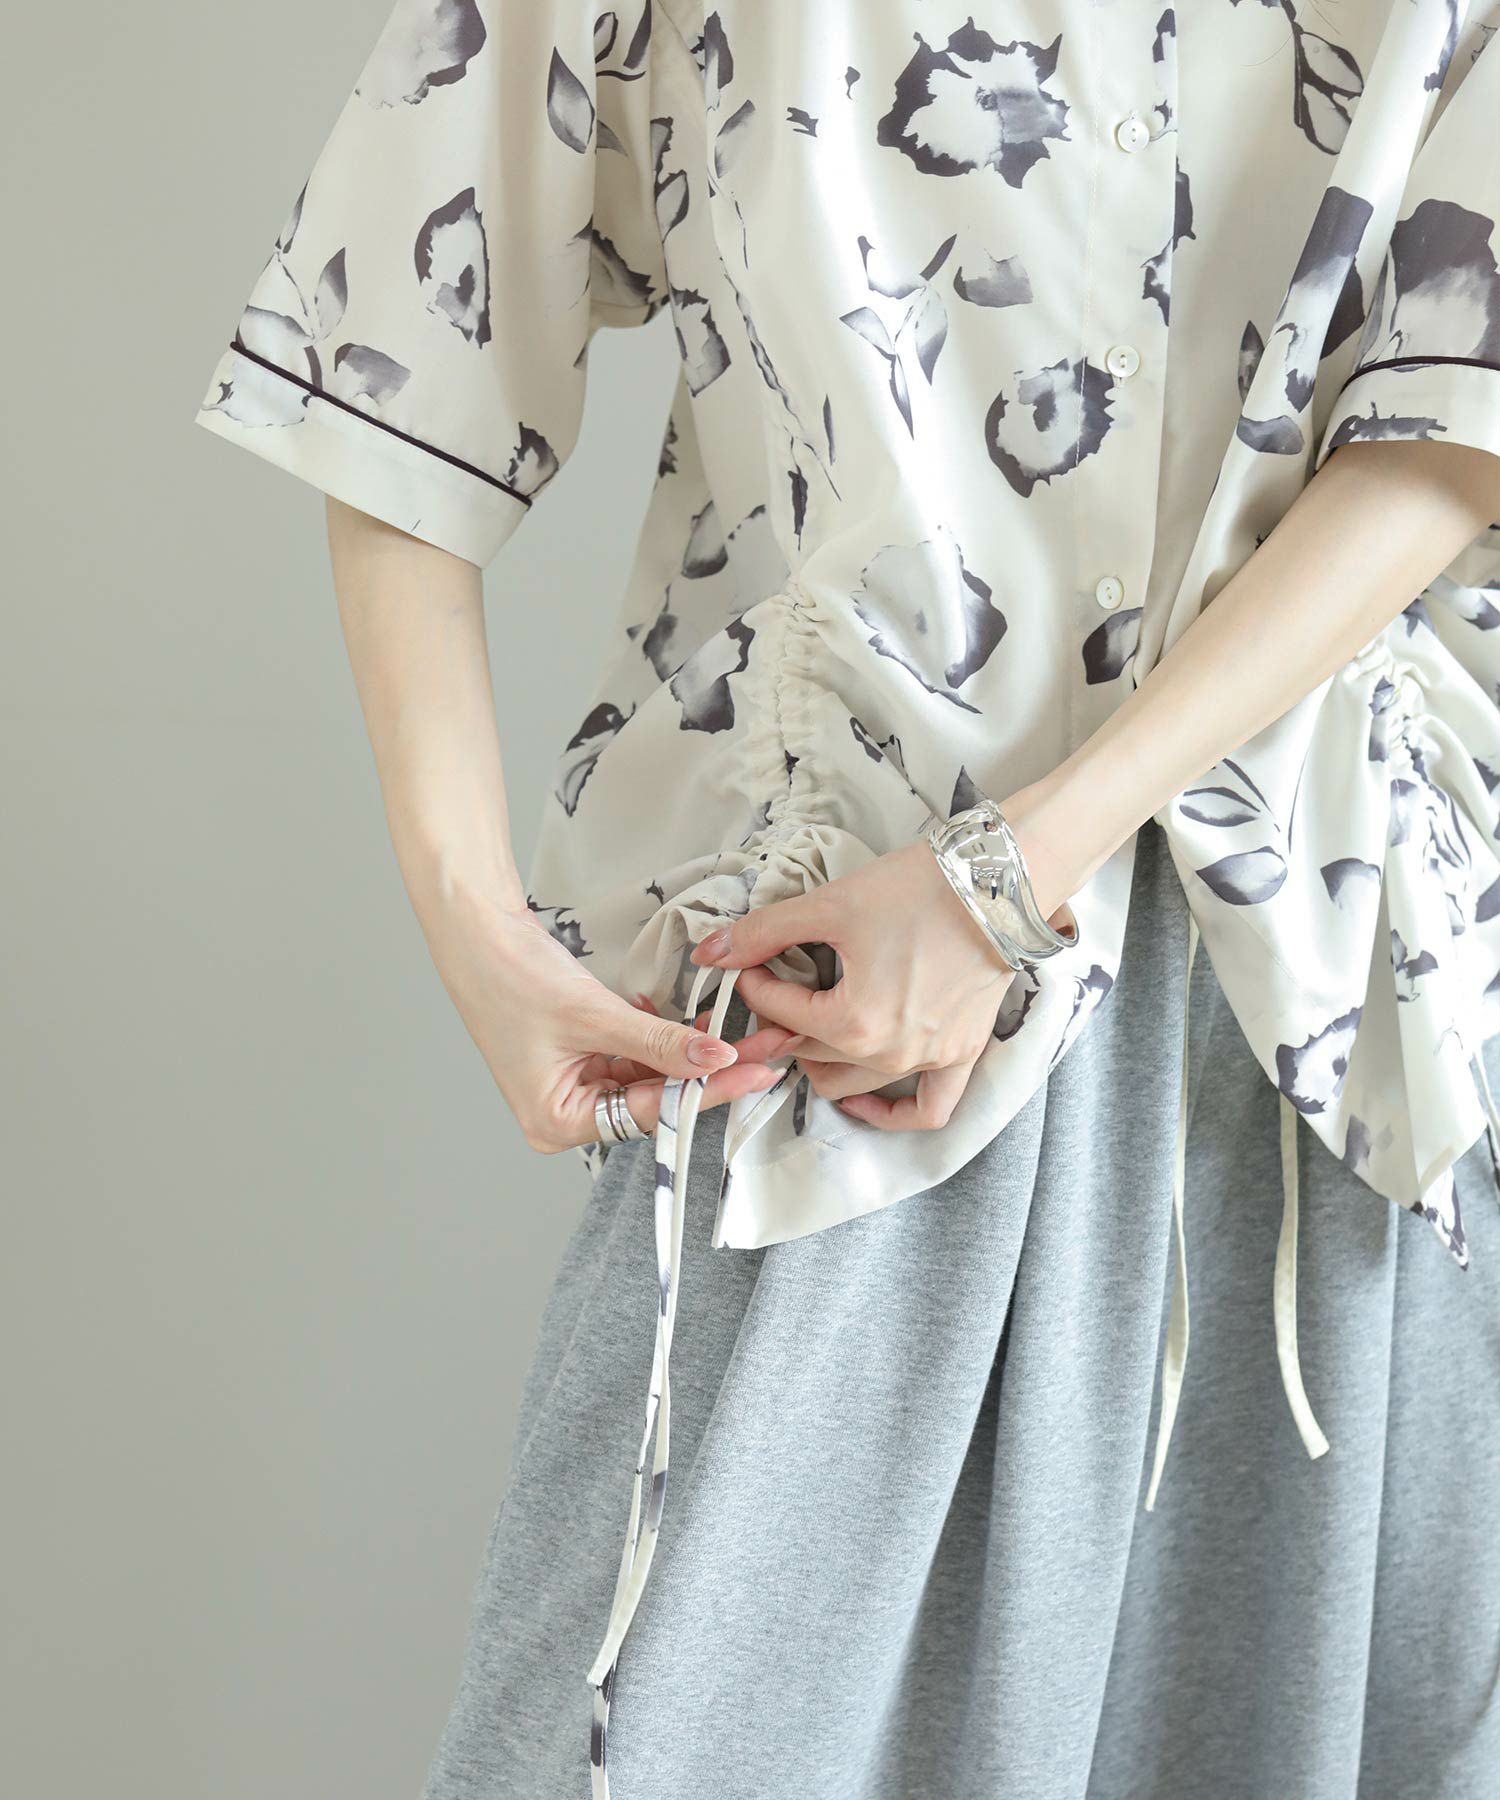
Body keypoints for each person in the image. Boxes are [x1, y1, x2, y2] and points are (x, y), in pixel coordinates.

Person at [194, 2, 1500, 1794]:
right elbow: (398, 350)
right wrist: (476, 930)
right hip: (849, 1010)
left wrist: (1009, 878)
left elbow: (1450, 424)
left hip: (1329, 1016)